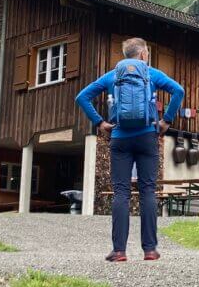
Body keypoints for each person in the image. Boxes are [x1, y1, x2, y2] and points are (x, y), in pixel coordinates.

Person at [76, 37, 184, 262]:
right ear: (144, 54)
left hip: (120, 138)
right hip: (147, 136)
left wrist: (100, 122)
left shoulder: (112, 76)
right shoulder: (151, 74)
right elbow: (179, 91)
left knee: (122, 192)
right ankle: (150, 250)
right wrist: (166, 121)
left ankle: (119, 251)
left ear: (126, 56)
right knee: (147, 191)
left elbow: (82, 97)